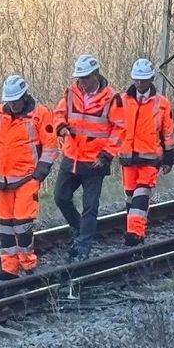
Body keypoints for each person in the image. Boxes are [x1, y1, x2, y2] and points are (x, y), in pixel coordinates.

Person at [0, 75, 58, 280]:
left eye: (15, 101)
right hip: (3, 180)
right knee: (5, 227)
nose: (12, 105)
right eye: (9, 101)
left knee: (22, 225)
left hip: (27, 178)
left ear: (24, 96)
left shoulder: (40, 114)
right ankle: (9, 268)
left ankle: (28, 264)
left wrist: (39, 175)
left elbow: (50, 146)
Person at [53, 55, 123, 262]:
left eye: (84, 78)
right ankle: (79, 229)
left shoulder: (112, 98)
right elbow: (58, 113)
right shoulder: (70, 92)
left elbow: (119, 130)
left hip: (95, 161)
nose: (80, 82)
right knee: (61, 197)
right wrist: (61, 126)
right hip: (71, 156)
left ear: (95, 75)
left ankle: (83, 246)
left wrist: (107, 155)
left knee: (90, 207)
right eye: (79, 78)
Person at [113, 58, 174, 246]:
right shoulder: (121, 101)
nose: (139, 83)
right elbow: (114, 128)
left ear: (151, 80)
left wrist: (168, 158)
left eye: (143, 80)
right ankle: (134, 229)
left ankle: (135, 234)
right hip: (127, 158)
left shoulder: (162, 103)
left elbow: (168, 133)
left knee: (141, 195)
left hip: (150, 158)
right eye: (137, 80)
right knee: (131, 197)